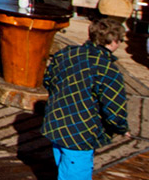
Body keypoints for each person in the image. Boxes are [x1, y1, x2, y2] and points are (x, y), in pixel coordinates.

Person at [43, 17, 129, 180]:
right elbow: (115, 109)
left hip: (55, 123)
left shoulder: (66, 53)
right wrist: (121, 128)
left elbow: (48, 81)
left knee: (63, 168)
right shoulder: (107, 68)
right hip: (80, 133)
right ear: (114, 41)